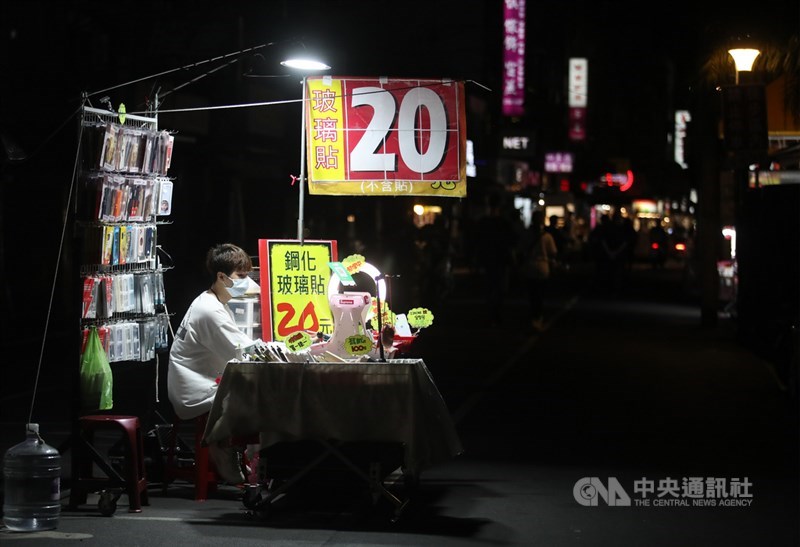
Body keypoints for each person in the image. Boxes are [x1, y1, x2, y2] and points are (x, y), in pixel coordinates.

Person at [167, 242, 259, 484]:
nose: (247, 281)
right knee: (260, 392)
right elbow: (245, 351)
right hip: (196, 390)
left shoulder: (212, 300)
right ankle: (227, 448)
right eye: (241, 275)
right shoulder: (210, 311)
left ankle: (240, 449)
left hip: (203, 378)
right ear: (221, 276)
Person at [521, 210, 558, 331]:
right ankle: (538, 319)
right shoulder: (546, 236)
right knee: (541, 295)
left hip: (529, 267)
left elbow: (520, 249)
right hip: (543, 267)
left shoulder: (526, 234)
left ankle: (533, 318)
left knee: (532, 295)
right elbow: (553, 252)